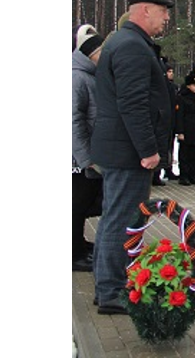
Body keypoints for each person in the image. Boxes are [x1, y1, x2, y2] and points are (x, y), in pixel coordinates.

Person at [90, 0, 174, 315]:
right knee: (122, 220)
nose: (166, 18)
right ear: (144, 10)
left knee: (115, 217)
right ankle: (112, 291)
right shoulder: (132, 47)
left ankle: (106, 285)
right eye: (162, 11)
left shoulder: (126, 43)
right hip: (128, 152)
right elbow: (133, 103)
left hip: (121, 149)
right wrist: (148, 150)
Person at [72, 28, 105, 272]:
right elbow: (72, 121)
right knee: (75, 204)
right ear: (89, 53)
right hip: (77, 158)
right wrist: (86, 158)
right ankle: (72, 253)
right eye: (100, 52)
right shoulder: (76, 77)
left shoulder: (90, 75)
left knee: (83, 203)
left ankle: (79, 244)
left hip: (88, 153)